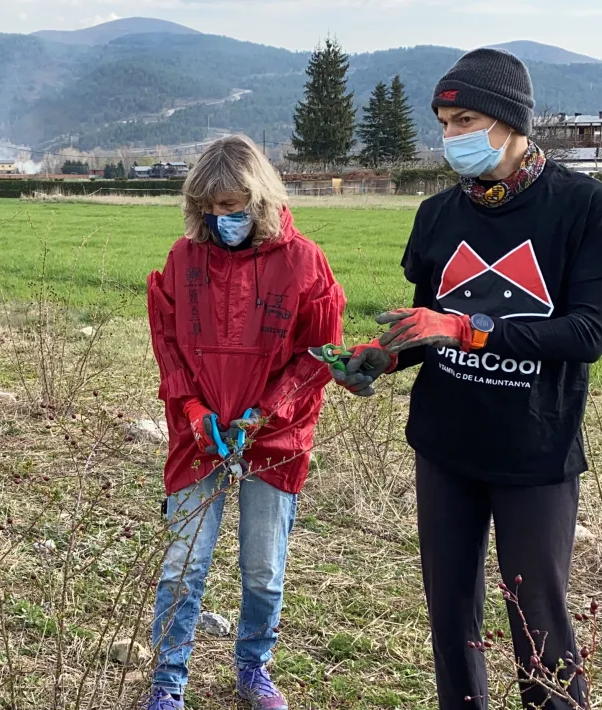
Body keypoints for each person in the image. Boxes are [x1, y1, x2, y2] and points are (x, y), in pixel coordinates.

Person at [333, 49, 602, 709]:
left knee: (538, 626)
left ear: (510, 120)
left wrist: (469, 329)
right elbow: (426, 327)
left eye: (465, 120)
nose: (451, 137)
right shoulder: (437, 216)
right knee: (450, 618)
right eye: (444, 123)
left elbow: (587, 334)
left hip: (535, 451)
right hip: (444, 446)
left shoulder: (584, 206)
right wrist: (382, 356)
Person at [145, 134, 346, 710]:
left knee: (263, 567)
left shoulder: (303, 262)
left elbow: (318, 355)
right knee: (183, 564)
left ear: (258, 198)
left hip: (274, 437)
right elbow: (168, 342)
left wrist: (268, 412)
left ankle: (254, 666)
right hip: (198, 433)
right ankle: (167, 681)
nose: (219, 217)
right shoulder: (185, 259)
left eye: (230, 205)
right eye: (208, 206)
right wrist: (191, 408)